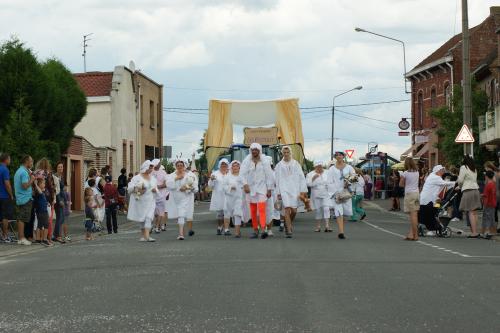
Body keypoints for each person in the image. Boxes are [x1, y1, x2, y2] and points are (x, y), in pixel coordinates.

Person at [240, 143, 274, 239]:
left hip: (262, 188)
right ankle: (255, 230)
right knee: (253, 210)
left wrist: (269, 188)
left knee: (262, 208)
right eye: (253, 149)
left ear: (259, 150)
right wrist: (245, 184)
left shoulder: (265, 161)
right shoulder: (247, 161)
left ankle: (263, 229)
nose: (254, 151)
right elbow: (242, 174)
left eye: (256, 149)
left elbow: (269, 175)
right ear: (251, 150)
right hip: (250, 189)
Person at [274, 146, 307, 238]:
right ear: (282, 153)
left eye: (287, 152)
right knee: (287, 209)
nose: (286, 154)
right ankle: (289, 229)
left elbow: (301, 177)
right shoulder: (279, 165)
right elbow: (276, 180)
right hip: (283, 189)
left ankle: (287, 223)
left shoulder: (296, 164)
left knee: (294, 210)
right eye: (284, 152)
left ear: (290, 152)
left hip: (294, 189)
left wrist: (303, 190)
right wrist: (278, 192)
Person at [166, 159, 198, 240]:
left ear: (184, 166)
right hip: (175, 199)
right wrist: (177, 178)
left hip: (186, 198)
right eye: (178, 165)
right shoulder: (172, 175)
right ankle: (182, 231)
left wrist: (187, 189)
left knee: (182, 214)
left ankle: (180, 234)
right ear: (175, 166)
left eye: (181, 165)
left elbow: (195, 189)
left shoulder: (189, 176)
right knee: (179, 215)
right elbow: (168, 185)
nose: (180, 167)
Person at [419, 165, 455, 235]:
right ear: (438, 171)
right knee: (432, 213)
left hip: (428, 199)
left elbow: (443, 185)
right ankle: (432, 228)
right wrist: (455, 183)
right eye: (442, 171)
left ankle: (425, 227)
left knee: (428, 213)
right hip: (430, 200)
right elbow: (444, 183)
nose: (443, 172)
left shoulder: (431, 176)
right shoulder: (436, 177)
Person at [127, 160, 158, 242]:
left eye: (152, 167)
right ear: (146, 167)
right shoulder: (136, 178)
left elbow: (156, 189)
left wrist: (155, 190)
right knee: (142, 219)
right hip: (141, 201)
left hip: (150, 201)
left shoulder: (153, 179)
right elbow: (129, 189)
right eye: (150, 167)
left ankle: (147, 236)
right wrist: (138, 187)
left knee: (148, 217)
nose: (151, 169)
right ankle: (143, 236)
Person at [328, 151, 356, 239]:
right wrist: (335, 192)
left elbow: (354, 177)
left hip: (346, 192)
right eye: (337, 155)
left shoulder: (349, 167)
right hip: (337, 194)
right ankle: (341, 232)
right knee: (338, 211)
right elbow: (329, 181)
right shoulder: (332, 169)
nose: (339, 156)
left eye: (340, 155)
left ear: (343, 156)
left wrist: (349, 183)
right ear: (335, 157)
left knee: (345, 213)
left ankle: (341, 229)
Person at [456, 155, 481, 238]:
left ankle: (473, 232)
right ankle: (475, 231)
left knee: (470, 212)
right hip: (476, 190)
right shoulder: (474, 168)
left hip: (468, 190)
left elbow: (460, 180)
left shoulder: (464, 167)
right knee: (474, 212)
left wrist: (459, 186)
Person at [14, 155, 35, 245]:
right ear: (26, 161)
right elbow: (25, 185)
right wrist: (32, 179)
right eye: (31, 161)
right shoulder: (23, 172)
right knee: (22, 219)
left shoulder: (20, 170)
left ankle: (21, 238)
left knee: (20, 218)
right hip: (25, 198)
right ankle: (22, 238)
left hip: (21, 198)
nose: (32, 163)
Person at [306, 161, 332, 232]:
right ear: (315, 167)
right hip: (316, 194)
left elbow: (331, 182)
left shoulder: (328, 172)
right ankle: (318, 226)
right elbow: (308, 184)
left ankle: (327, 226)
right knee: (318, 210)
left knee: (326, 208)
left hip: (326, 193)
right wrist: (313, 179)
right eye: (317, 167)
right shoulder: (310, 174)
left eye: (320, 166)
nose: (319, 168)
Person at [400, 157, 420, 241]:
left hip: (409, 194)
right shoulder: (417, 172)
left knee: (412, 216)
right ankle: (411, 234)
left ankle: (415, 235)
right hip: (416, 194)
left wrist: (406, 184)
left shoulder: (405, 173)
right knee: (414, 214)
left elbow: (400, 184)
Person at [223, 160, 245, 237]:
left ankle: (237, 232)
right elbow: (224, 187)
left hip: (239, 198)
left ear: (239, 167)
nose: (235, 167)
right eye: (234, 166)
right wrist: (230, 187)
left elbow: (245, 185)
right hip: (229, 198)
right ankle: (228, 228)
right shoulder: (227, 176)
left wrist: (242, 187)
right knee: (229, 214)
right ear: (231, 167)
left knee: (237, 213)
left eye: (237, 166)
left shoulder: (242, 176)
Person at [208, 158, 229, 235]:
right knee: (220, 214)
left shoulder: (230, 173)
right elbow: (210, 185)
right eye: (222, 164)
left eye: (225, 164)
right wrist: (211, 180)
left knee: (227, 212)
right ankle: (220, 226)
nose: (224, 166)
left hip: (228, 196)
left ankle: (226, 229)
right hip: (218, 195)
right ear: (220, 165)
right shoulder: (215, 173)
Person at [0, 153, 14, 243]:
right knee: (5, 217)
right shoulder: (5, 169)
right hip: (4, 196)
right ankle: (5, 236)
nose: (10, 160)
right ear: (6, 159)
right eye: (9, 159)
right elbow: (7, 184)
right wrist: (11, 194)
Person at [33, 178, 52, 246]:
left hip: (41, 210)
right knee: (46, 225)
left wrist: (47, 203)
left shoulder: (41, 191)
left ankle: (38, 239)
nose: (44, 185)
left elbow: (42, 199)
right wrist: (35, 184)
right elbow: (40, 194)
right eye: (43, 183)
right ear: (39, 184)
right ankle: (44, 239)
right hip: (42, 211)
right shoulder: (39, 191)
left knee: (40, 225)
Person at [152, 159, 168, 233]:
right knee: (154, 212)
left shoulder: (163, 172)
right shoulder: (150, 172)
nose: (159, 164)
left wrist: (158, 187)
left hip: (162, 194)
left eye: (159, 163)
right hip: (152, 195)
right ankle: (155, 225)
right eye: (158, 163)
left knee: (160, 211)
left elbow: (166, 184)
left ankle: (157, 226)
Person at [52, 162, 67, 243]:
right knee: (59, 218)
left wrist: (65, 199)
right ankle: (57, 236)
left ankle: (56, 234)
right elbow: (56, 190)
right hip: (58, 199)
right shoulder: (55, 176)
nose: (61, 168)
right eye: (59, 167)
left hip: (62, 198)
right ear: (56, 168)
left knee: (61, 218)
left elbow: (62, 189)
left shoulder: (61, 176)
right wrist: (60, 200)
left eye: (62, 167)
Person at [481, 170, 497, 239]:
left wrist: (484, 204)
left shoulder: (488, 185)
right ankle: (491, 231)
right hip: (493, 203)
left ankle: (487, 232)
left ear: (487, 177)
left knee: (487, 217)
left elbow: (486, 196)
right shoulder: (493, 184)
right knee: (491, 217)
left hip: (488, 204)